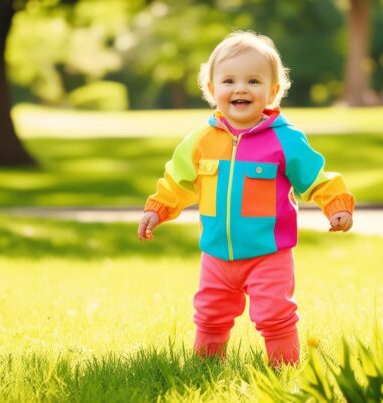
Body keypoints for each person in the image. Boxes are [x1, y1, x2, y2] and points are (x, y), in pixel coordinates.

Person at [137, 31, 355, 367]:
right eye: (229, 80)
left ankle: (284, 369)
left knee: (275, 315)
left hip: (269, 254)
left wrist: (336, 204)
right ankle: (206, 368)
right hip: (216, 254)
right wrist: (158, 210)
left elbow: (316, 177)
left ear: (272, 91)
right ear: (212, 90)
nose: (241, 88)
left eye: (253, 81)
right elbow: (177, 180)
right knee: (209, 315)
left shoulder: (285, 140)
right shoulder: (200, 140)